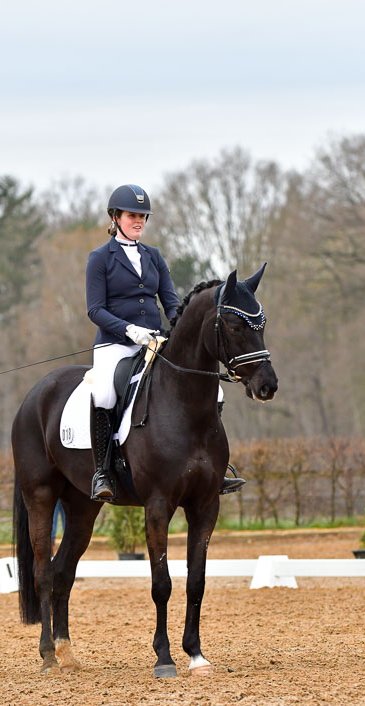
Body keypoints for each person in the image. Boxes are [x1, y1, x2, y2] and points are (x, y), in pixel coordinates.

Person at [86, 183, 244, 501]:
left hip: (156, 341)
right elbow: (95, 309)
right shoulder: (100, 258)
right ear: (115, 217)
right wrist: (129, 331)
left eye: (143, 216)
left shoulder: (154, 257)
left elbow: (172, 303)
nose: (139, 221)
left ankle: (214, 464)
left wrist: (179, 330)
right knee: (103, 391)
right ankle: (102, 470)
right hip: (115, 344)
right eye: (133, 215)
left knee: (216, 388)